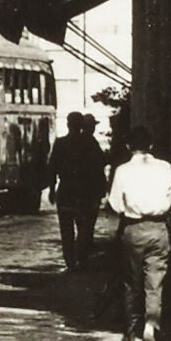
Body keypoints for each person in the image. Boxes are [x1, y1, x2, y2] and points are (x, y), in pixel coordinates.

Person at [106, 120, 171, 341]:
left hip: (134, 229)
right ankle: (150, 328)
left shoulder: (123, 170)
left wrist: (130, 208)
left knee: (131, 282)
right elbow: (170, 197)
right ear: (151, 145)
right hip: (158, 229)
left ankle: (129, 333)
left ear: (128, 146)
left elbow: (115, 203)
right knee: (155, 282)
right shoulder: (165, 168)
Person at [44, 111, 109, 277]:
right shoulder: (90, 143)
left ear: (68, 124)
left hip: (65, 190)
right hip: (84, 191)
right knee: (84, 227)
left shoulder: (60, 143)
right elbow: (100, 164)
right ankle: (81, 258)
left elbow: (52, 167)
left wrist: (51, 189)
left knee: (66, 229)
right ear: (81, 125)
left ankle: (70, 262)